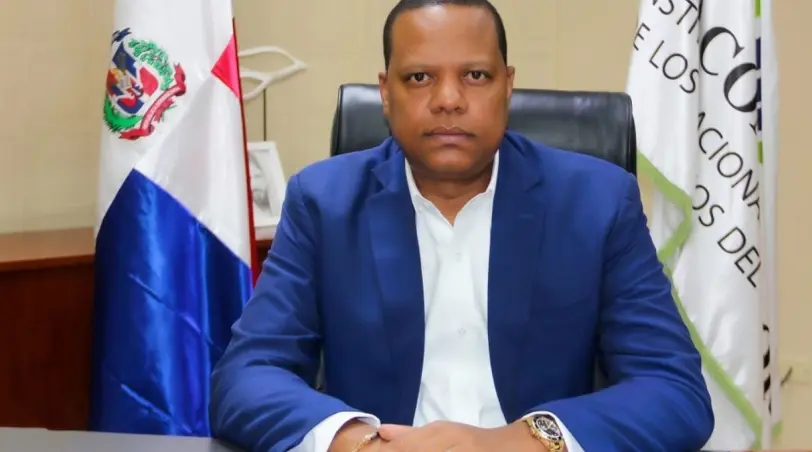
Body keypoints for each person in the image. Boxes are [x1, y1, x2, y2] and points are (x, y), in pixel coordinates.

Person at [209, 0, 715, 451]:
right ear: (385, 92)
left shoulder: (597, 203)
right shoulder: (324, 202)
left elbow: (674, 391)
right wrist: (362, 445)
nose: (448, 99)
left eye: (474, 75)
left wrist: (520, 441)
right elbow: (246, 377)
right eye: (419, 78)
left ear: (507, 85)